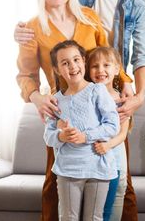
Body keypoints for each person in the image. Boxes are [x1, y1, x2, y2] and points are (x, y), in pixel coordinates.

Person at [15, 0, 145, 221]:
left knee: (118, 183)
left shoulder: (89, 18)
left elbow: (108, 58)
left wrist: (126, 81)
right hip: (63, 114)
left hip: (104, 110)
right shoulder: (31, 28)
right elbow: (25, 75)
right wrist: (38, 97)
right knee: (57, 184)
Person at [44, 40, 120, 221]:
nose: (72, 66)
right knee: (68, 217)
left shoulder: (98, 91)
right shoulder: (55, 101)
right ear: (57, 69)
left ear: (83, 61)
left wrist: (85, 136)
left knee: (93, 218)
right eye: (65, 63)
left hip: (98, 167)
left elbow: (112, 125)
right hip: (68, 169)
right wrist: (61, 136)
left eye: (76, 59)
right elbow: (48, 137)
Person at [87, 47, 131, 221]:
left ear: (117, 68)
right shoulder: (88, 96)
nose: (100, 70)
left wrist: (108, 145)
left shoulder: (122, 99)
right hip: (96, 159)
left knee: (119, 192)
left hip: (116, 155)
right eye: (95, 66)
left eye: (106, 65)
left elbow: (122, 134)